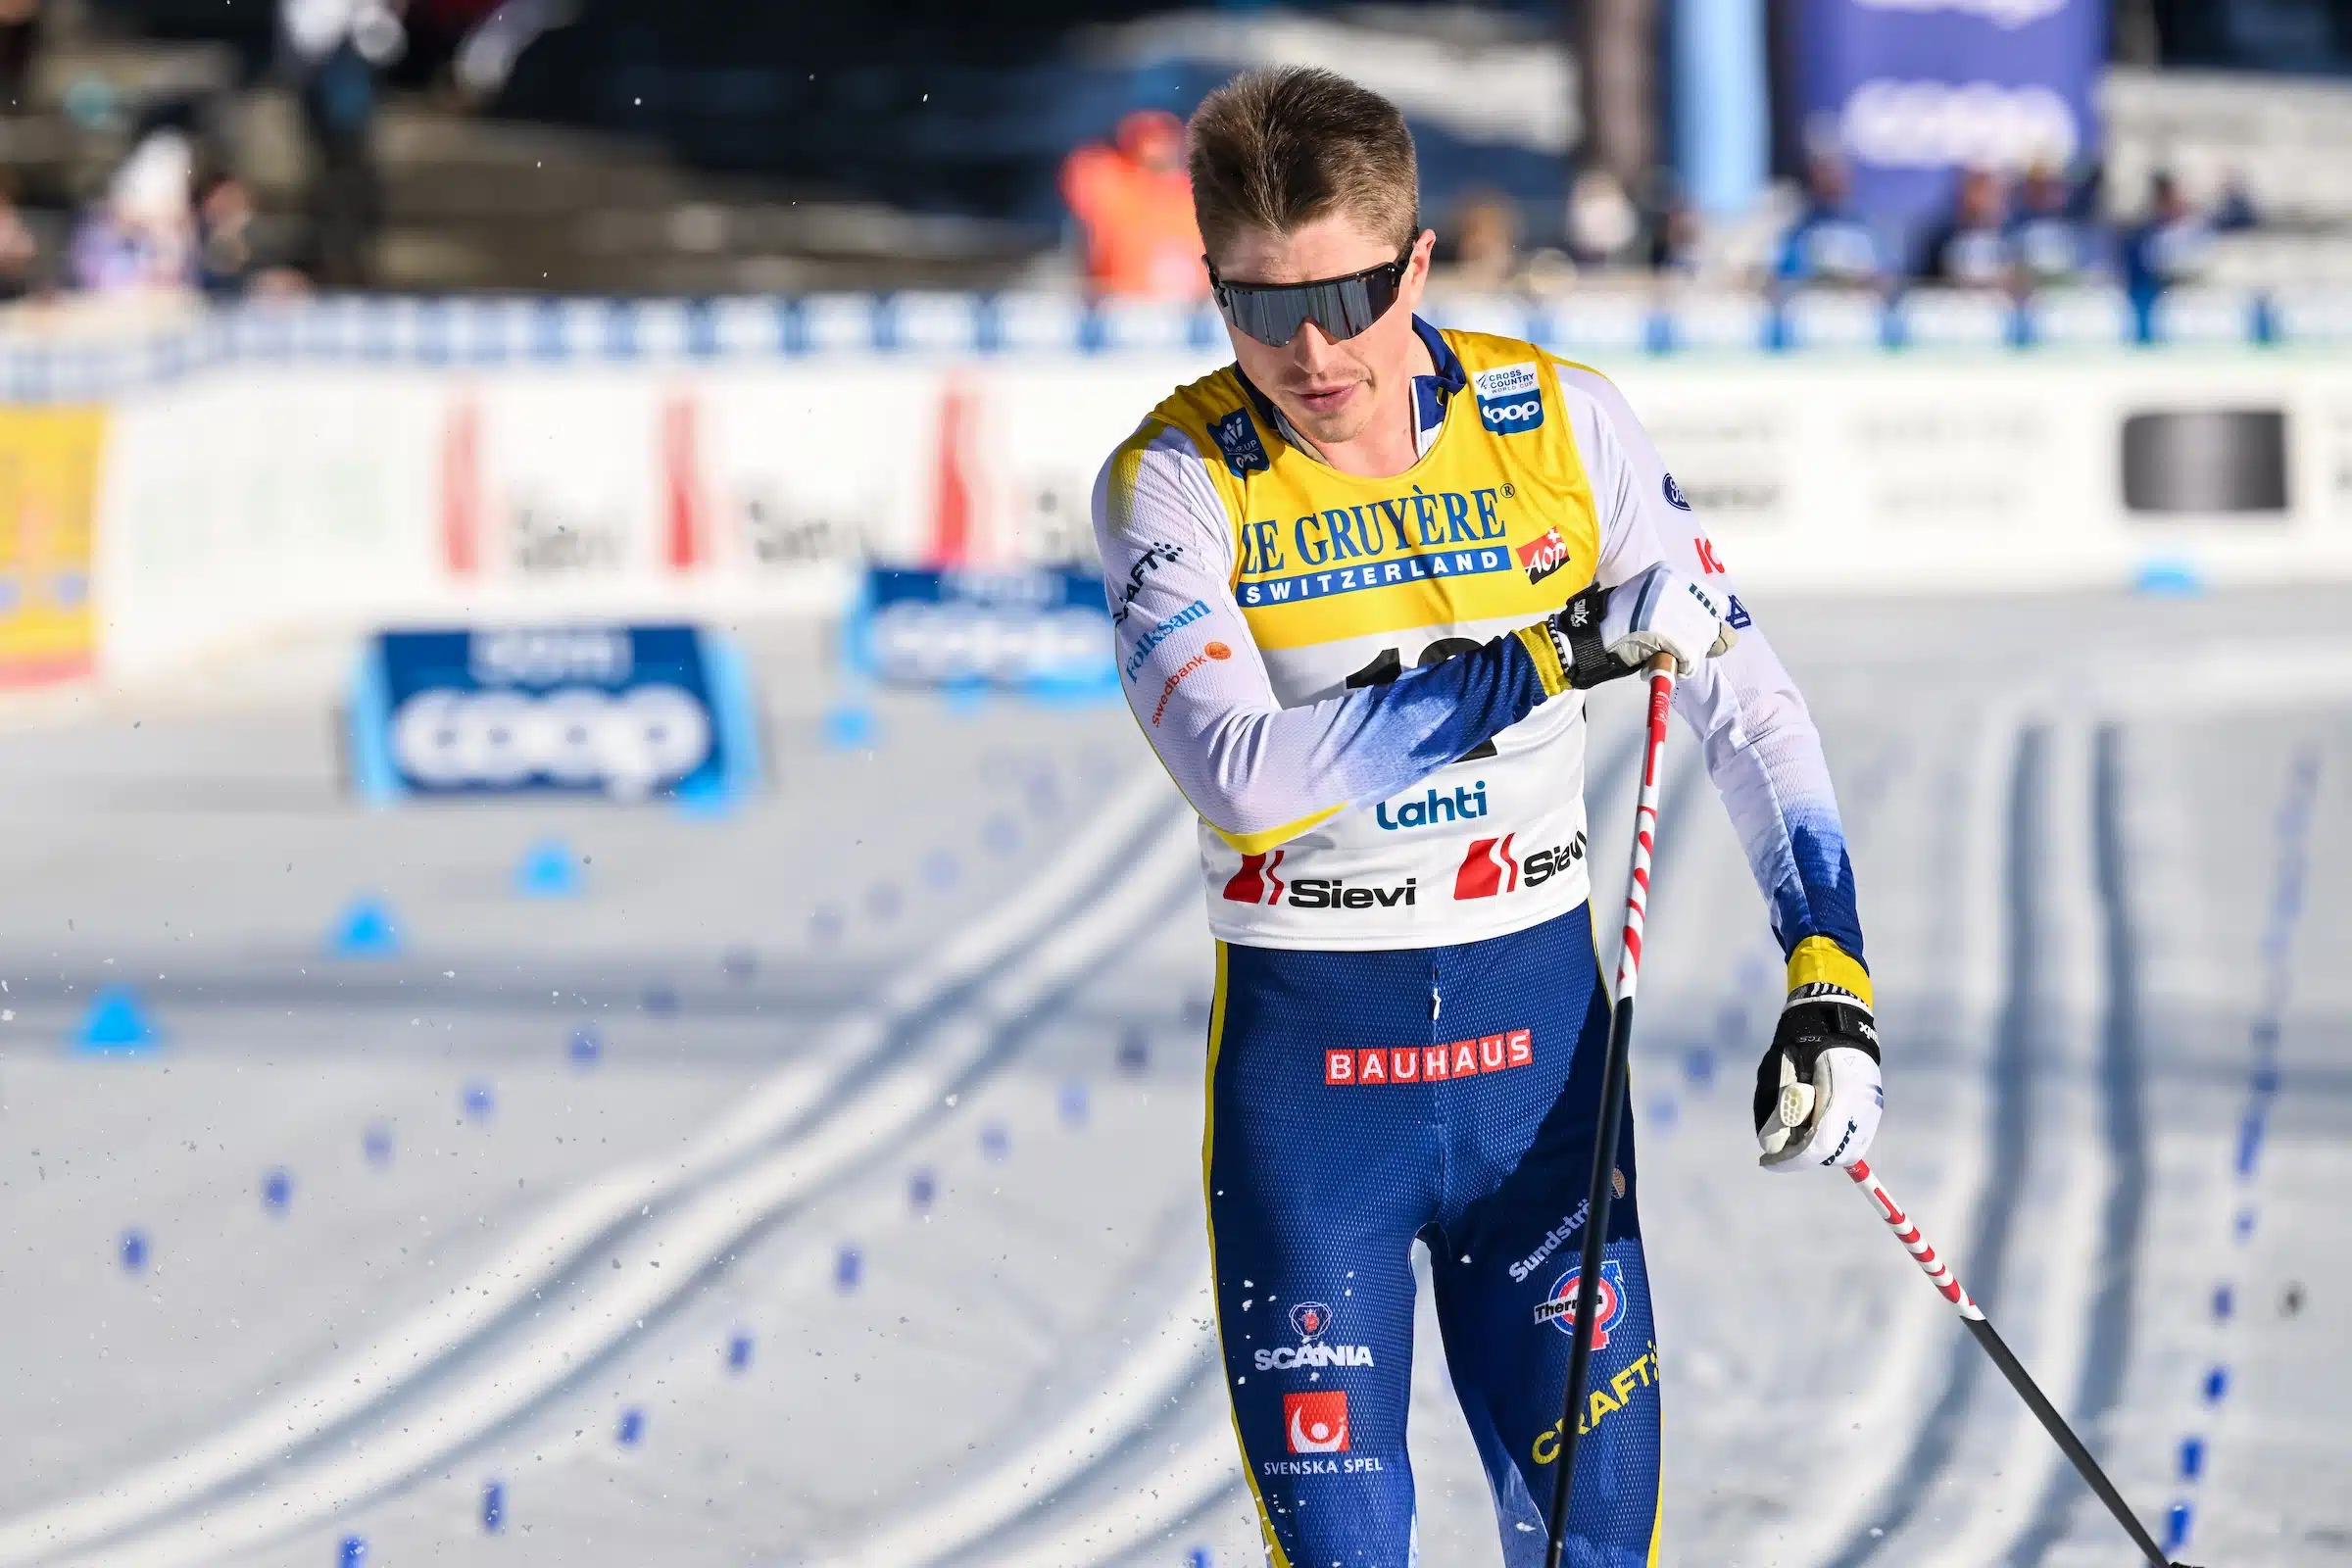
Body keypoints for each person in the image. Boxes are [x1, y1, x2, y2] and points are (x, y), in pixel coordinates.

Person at [1090, 66, 1878, 1568]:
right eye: (1259, 307)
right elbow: (1242, 780)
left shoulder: (1562, 425)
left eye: (1348, 297)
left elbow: (1751, 705)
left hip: (1540, 1075)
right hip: (1317, 1096)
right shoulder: (1175, 480)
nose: (1311, 351)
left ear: (1418, 264)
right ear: (1213, 286)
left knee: (1596, 1548)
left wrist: (1827, 968)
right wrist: (1546, 657)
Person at [1059, 107, 1208, 301]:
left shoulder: (1193, 194)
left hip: (1189, 305)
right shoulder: (1110, 180)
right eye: (1148, 136)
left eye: (1162, 135)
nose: (1155, 146)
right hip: (1119, 302)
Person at [1777, 148, 1889, 290]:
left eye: (1836, 173)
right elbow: (1789, 273)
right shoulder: (1801, 228)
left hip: (1858, 299)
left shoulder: (1863, 227)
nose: (1831, 180)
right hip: (1814, 297)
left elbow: (1884, 274)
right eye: (1824, 173)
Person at [1920, 166, 2014, 290]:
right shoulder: (1940, 236)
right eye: (1976, 188)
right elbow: (1927, 283)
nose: (1980, 198)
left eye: (1987, 190)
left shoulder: (2011, 234)